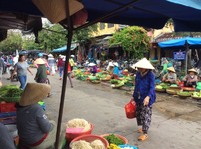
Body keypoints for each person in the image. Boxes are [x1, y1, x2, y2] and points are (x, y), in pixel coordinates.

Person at [17, 83, 56, 149]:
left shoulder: (19, 105)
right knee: (59, 126)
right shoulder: (36, 108)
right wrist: (53, 125)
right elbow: (47, 129)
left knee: (50, 122)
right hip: (35, 143)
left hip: (23, 139)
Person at [132, 58, 156, 141]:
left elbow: (152, 88)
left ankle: (145, 133)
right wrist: (133, 96)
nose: (140, 69)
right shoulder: (138, 74)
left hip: (147, 98)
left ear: (146, 67)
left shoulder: (151, 75)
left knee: (145, 114)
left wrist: (148, 97)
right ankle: (141, 127)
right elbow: (136, 85)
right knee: (138, 113)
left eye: (141, 67)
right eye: (139, 67)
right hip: (138, 97)